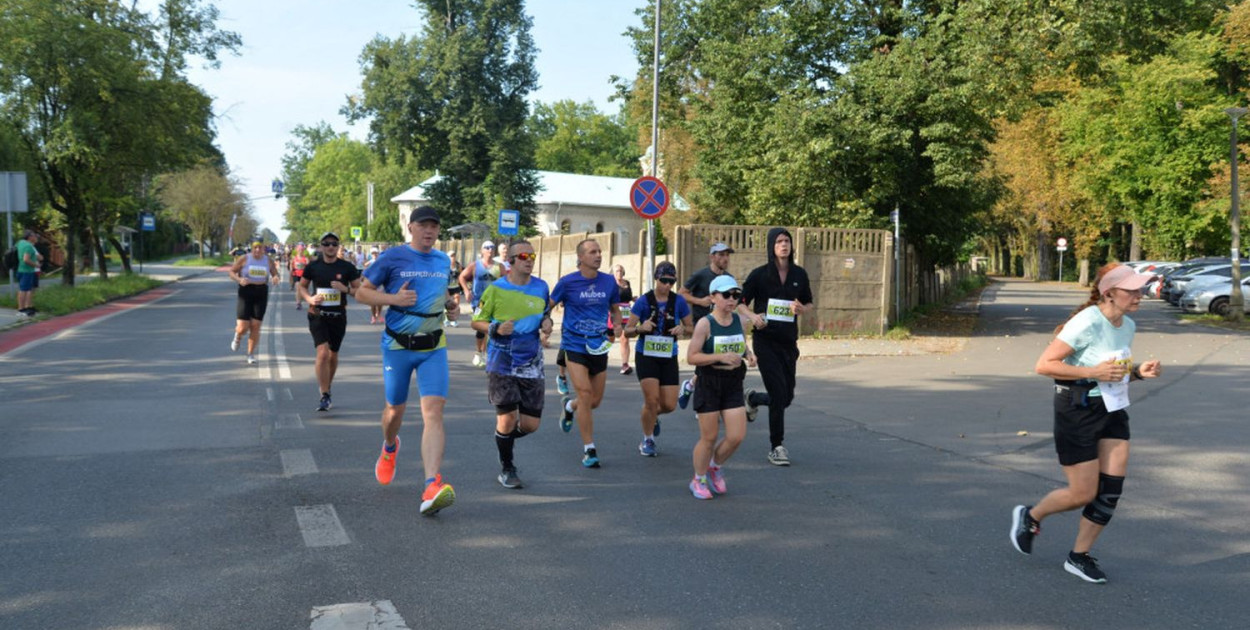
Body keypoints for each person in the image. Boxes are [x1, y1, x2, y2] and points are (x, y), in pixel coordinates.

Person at [1011, 263, 1162, 584]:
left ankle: (1078, 557)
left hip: (1112, 406)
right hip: (1077, 409)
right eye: (1131, 290)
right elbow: (1044, 365)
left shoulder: (1127, 325)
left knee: (1109, 493)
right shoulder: (1086, 322)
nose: (1139, 296)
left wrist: (1136, 372)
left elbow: (1112, 369)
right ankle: (1031, 515)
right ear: (1109, 293)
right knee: (1082, 492)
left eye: (1140, 290)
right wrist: (1092, 373)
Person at [357, 206, 459, 516]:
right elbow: (361, 292)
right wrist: (392, 300)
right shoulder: (392, 258)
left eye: (434, 227)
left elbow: (440, 294)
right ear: (411, 227)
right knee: (394, 410)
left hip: (433, 347)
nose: (429, 231)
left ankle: (431, 484)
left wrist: (451, 305)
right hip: (398, 347)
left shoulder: (443, 261)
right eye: (423, 225)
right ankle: (390, 447)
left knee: (433, 412)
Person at [471, 240, 552, 489]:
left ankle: (503, 441)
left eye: (532, 255)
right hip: (501, 361)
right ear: (512, 261)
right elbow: (477, 321)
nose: (529, 259)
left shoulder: (541, 287)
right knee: (506, 420)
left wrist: (547, 322)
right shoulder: (496, 289)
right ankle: (507, 466)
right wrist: (496, 328)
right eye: (523, 255)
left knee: (530, 425)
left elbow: (544, 313)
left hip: (531, 361)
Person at [738, 228, 813, 466]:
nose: (784, 245)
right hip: (765, 341)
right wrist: (752, 316)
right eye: (779, 241)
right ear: (772, 246)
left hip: (788, 342)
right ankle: (776, 446)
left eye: (787, 241)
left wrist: (802, 309)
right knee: (779, 395)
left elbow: (809, 302)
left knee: (787, 396)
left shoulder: (799, 274)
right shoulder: (759, 275)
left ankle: (754, 398)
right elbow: (739, 302)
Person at [547, 239, 620, 468]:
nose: (598, 255)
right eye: (592, 252)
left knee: (594, 401)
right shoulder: (567, 283)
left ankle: (570, 407)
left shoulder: (609, 282)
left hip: (599, 346)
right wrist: (546, 321)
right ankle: (590, 449)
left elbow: (615, 311)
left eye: (599, 251)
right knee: (586, 394)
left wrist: (617, 325)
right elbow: (547, 306)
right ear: (581, 257)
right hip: (574, 345)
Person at [686, 275, 756, 499]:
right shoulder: (705, 324)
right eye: (726, 295)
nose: (731, 300)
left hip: (733, 382)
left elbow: (740, 344)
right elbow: (692, 357)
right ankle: (698, 479)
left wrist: (749, 354)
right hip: (709, 382)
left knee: (736, 436)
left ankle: (714, 467)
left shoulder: (739, 320)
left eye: (735, 295)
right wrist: (720, 357)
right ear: (713, 297)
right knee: (709, 437)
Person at [623, 261, 692, 456]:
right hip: (646, 355)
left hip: (668, 355)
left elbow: (692, 327)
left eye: (672, 281)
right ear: (656, 278)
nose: (668, 285)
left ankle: (651, 415)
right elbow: (627, 332)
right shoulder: (643, 301)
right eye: (664, 280)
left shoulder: (678, 301)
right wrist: (639, 328)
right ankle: (648, 439)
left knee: (669, 405)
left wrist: (683, 329)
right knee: (652, 400)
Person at [299, 232, 362, 412]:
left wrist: (346, 289)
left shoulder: (347, 267)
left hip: (338, 316)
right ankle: (324, 394)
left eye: (334, 244)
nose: (330, 247)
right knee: (323, 353)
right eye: (326, 244)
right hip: (318, 314)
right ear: (321, 247)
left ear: (338, 246)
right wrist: (309, 299)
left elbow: (360, 290)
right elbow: (302, 286)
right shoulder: (313, 266)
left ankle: (327, 386)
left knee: (333, 355)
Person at [676, 242, 734, 409]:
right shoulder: (701, 275)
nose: (725, 258)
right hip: (702, 326)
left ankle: (691, 387)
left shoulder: (728, 278)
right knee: (706, 366)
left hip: (721, 327)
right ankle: (704, 405)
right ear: (712, 256)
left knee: (712, 367)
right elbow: (681, 294)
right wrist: (699, 301)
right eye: (721, 255)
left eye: (727, 255)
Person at [229, 241, 280, 365]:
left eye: (260, 248)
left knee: (256, 325)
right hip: (246, 291)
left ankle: (250, 354)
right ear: (252, 249)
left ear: (264, 249)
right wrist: (239, 279)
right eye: (255, 248)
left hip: (261, 292)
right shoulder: (244, 259)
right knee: (243, 327)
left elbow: (274, 272)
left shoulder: (268, 260)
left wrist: (275, 277)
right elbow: (231, 272)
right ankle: (238, 336)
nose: (257, 250)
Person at [459, 240, 504, 368]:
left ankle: (487, 354)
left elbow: (509, 280)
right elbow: (462, 277)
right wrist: (466, 291)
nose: (490, 250)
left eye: (492, 248)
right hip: (479, 302)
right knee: (481, 327)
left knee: (491, 328)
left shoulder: (499, 267)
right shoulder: (475, 265)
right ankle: (478, 352)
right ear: (482, 251)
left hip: (495, 302)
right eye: (487, 248)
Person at [610, 264, 635, 375]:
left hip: (626, 314)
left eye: (620, 271)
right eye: (616, 271)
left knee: (625, 338)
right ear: (613, 273)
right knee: (609, 339)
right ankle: (600, 357)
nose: (619, 273)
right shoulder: (611, 284)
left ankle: (625, 364)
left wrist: (634, 299)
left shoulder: (627, 283)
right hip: (614, 313)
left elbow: (628, 297)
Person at [15, 229, 43, 317]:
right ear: (30, 237)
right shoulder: (28, 246)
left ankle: (24, 308)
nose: (36, 238)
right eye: (34, 236)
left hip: (20, 269)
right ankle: (22, 309)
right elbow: (26, 259)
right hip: (27, 271)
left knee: (24, 289)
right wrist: (36, 265)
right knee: (24, 290)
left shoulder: (20, 243)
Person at [445, 250, 464, 328]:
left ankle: (454, 320)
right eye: (451, 256)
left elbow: (461, 275)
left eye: (454, 256)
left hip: (455, 287)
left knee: (456, 303)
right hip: (447, 287)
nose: (453, 257)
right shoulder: (445, 266)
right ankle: (446, 319)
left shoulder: (458, 265)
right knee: (447, 304)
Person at [289, 245, 309, 309]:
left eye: (301, 249)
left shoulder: (305, 258)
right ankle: (298, 303)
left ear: (303, 250)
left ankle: (300, 300)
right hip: (296, 275)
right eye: (299, 249)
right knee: (298, 288)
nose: (300, 251)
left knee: (303, 289)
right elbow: (291, 265)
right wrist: (291, 270)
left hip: (303, 276)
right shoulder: (294, 258)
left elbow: (308, 267)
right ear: (297, 250)